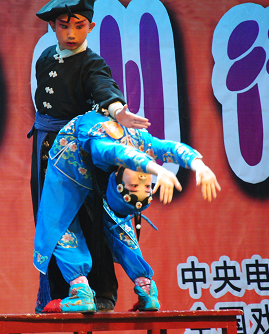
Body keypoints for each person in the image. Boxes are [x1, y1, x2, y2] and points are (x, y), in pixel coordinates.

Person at [29, 0, 150, 312]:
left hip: (77, 153)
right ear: (52, 25)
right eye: (64, 25)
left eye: (79, 26)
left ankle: (97, 291)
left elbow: (104, 88)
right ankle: (64, 291)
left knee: (87, 217)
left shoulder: (91, 63)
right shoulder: (45, 58)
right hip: (47, 150)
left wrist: (117, 111)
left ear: (90, 27)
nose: (71, 33)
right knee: (53, 217)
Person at [34, 110, 221, 313]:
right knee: (58, 227)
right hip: (67, 172)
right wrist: (158, 169)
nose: (142, 181)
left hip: (97, 174)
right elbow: (119, 152)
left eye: (146, 185)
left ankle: (136, 290)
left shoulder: (139, 141)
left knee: (119, 226)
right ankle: (92, 290)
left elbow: (168, 148)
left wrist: (198, 164)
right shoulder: (103, 141)